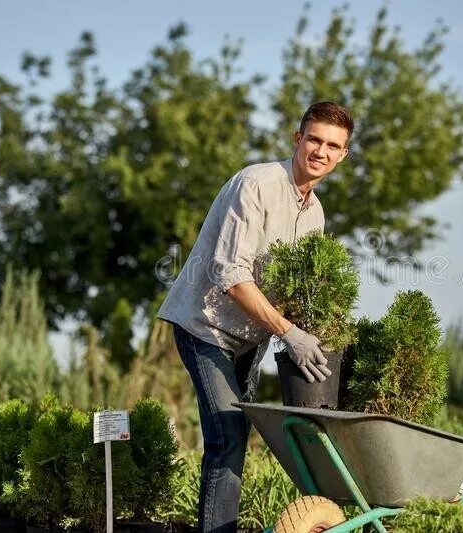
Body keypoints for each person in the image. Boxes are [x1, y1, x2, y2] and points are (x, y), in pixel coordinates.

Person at [157, 101, 353, 532]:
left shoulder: (315, 213)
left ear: (343, 155)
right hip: (205, 326)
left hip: (251, 336)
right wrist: (290, 333)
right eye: (314, 140)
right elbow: (231, 275)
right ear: (297, 139)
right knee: (227, 433)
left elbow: (298, 289)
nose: (320, 151)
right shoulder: (256, 184)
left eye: (332, 146)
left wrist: (325, 332)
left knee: (236, 435)